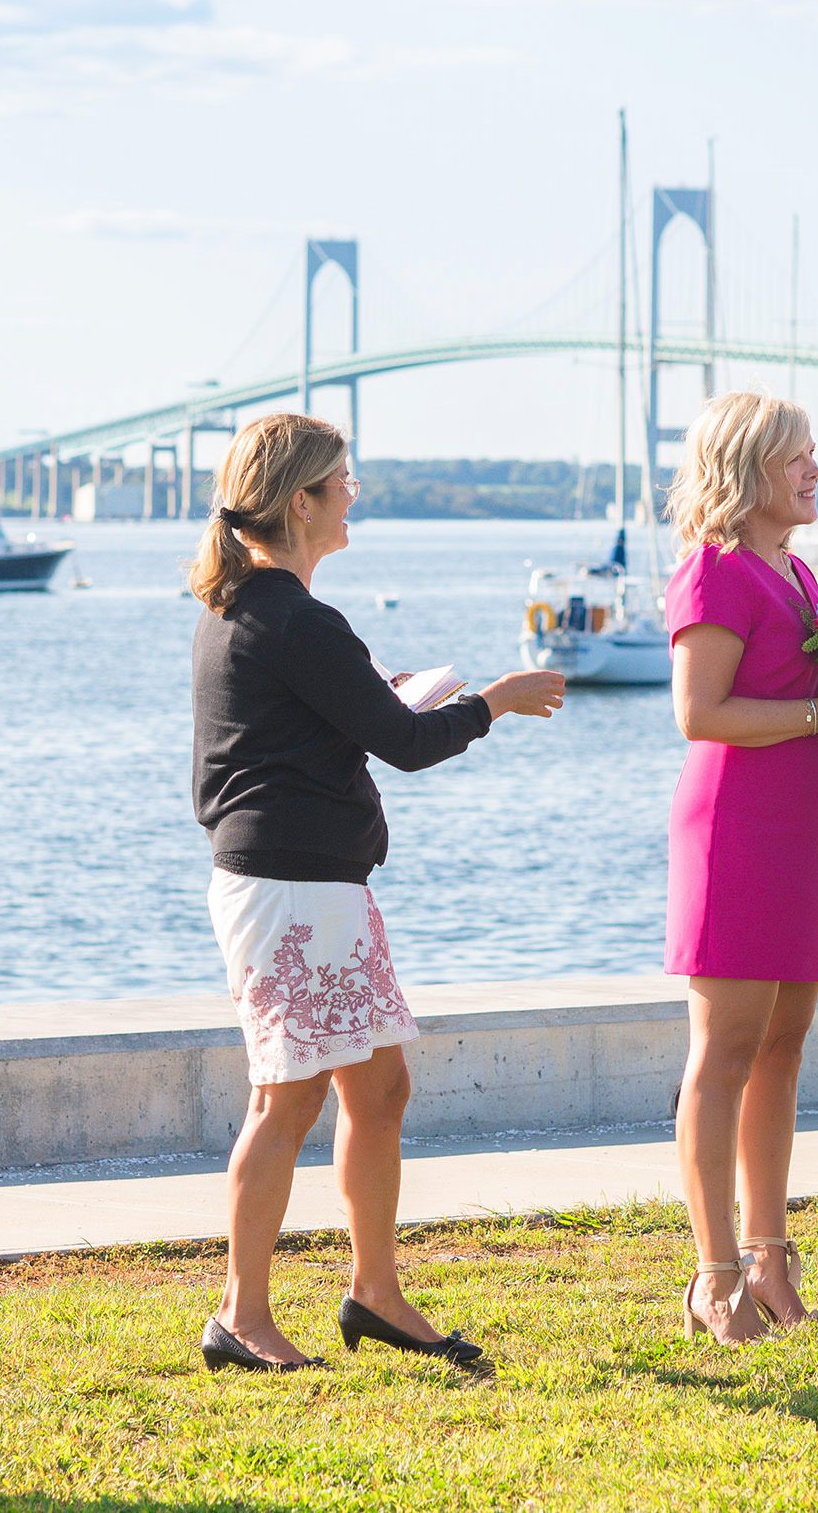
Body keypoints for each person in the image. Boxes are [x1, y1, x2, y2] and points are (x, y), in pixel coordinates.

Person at [188, 411, 564, 1371]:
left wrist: (377, 695)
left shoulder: (263, 616)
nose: (354, 491)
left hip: (316, 892)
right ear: (300, 500)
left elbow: (296, 737)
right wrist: (497, 700)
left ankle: (376, 1293)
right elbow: (406, 746)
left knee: (380, 1087)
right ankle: (243, 1315)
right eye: (342, 480)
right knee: (286, 1100)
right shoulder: (290, 617)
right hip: (292, 894)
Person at [661, 392, 818, 1345]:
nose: (815, 467)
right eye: (797, 455)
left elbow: (814, 703)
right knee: (724, 1052)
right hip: (736, 827)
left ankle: (772, 1257)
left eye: (814, 452)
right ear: (749, 467)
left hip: (805, 827)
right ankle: (714, 1274)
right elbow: (701, 713)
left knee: (784, 1044)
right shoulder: (716, 570)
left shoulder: (799, 571)